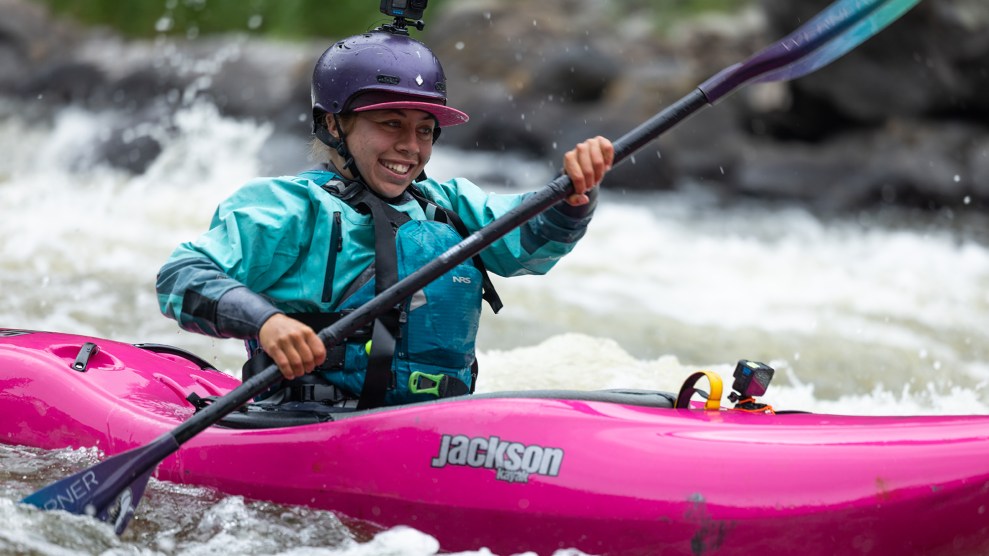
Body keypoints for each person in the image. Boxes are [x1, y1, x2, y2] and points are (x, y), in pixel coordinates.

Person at [156, 29, 613, 409]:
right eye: (390, 124)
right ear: (334, 125)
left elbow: (528, 238)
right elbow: (180, 277)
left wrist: (574, 192)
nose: (411, 147)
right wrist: (266, 321)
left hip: (429, 428)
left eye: (424, 130)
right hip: (303, 424)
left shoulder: (449, 206)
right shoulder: (287, 207)